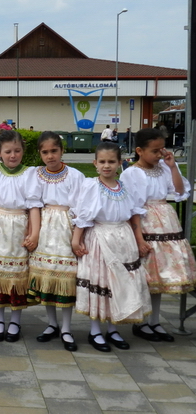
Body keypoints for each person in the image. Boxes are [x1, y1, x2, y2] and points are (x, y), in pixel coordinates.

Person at [71, 142, 152, 352]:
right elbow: (84, 215)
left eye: (111, 161)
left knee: (120, 283)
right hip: (100, 239)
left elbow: (133, 214)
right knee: (102, 282)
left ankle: (113, 328)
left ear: (119, 163)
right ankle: (95, 331)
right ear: (95, 163)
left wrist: (139, 239)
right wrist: (76, 240)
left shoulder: (124, 187)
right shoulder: (92, 186)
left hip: (124, 239)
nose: (106, 166)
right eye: (102, 161)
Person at [120, 128, 196, 342]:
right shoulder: (131, 173)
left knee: (158, 275)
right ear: (139, 151)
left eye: (162, 149)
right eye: (155, 151)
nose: (160, 154)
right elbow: (132, 208)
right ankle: (141, 322)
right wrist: (139, 239)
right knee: (145, 276)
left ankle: (154, 322)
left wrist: (172, 166)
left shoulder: (164, 168)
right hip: (145, 225)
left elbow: (180, 191)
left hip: (166, 224)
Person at [0, 130, 42, 342]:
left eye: (17, 151)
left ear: (23, 151)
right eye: (8, 151)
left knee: (17, 276)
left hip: (19, 226)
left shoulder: (30, 174)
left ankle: (15, 320)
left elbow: (34, 206)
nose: (13, 155)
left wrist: (34, 233)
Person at [27, 131, 85, 351]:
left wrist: (77, 237)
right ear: (39, 154)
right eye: (45, 152)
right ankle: (52, 324)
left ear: (62, 151)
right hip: (44, 227)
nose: (50, 156)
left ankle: (67, 328)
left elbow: (81, 208)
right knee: (47, 276)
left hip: (66, 228)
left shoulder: (75, 175)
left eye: (54, 151)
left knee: (65, 278)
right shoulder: (36, 175)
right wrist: (34, 233)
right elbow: (34, 204)